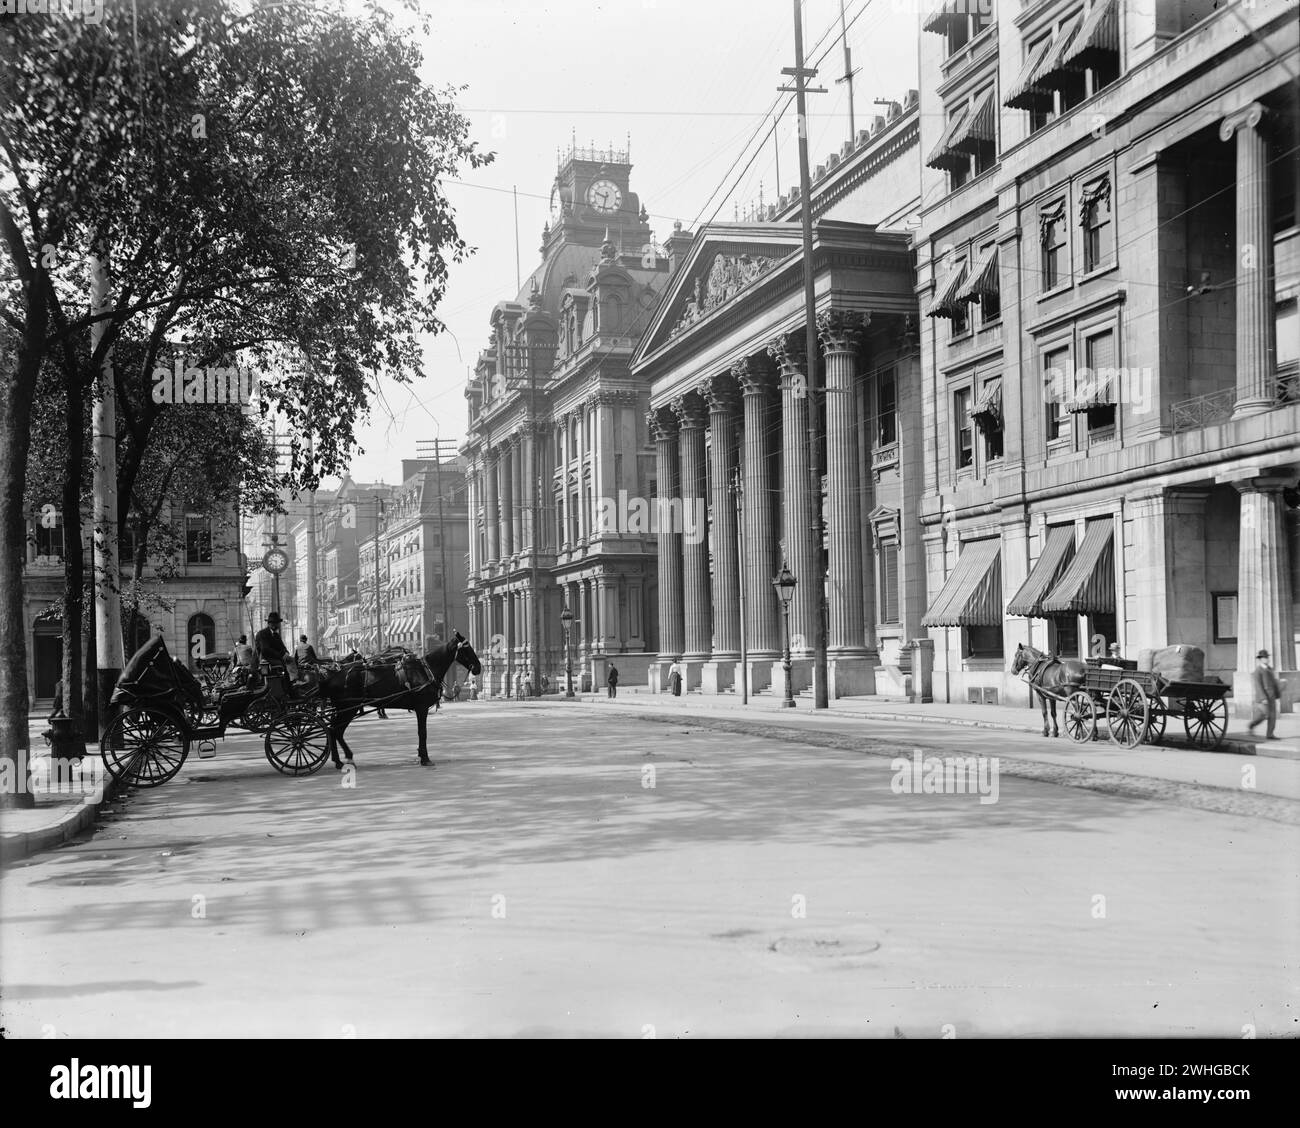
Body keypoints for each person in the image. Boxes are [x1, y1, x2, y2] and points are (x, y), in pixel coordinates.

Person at [1247, 649, 1283, 740]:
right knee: (1264, 715)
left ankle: (1270, 734)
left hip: (1271, 696)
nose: (1266, 659)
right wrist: (1263, 697)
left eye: (1267, 657)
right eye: (1264, 658)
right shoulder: (1258, 671)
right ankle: (1252, 725)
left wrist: (1277, 694)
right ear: (1260, 659)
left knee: (1273, 716)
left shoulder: (1270, 669)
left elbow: (1274, 682)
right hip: (1263, 697)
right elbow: (1258, 685)